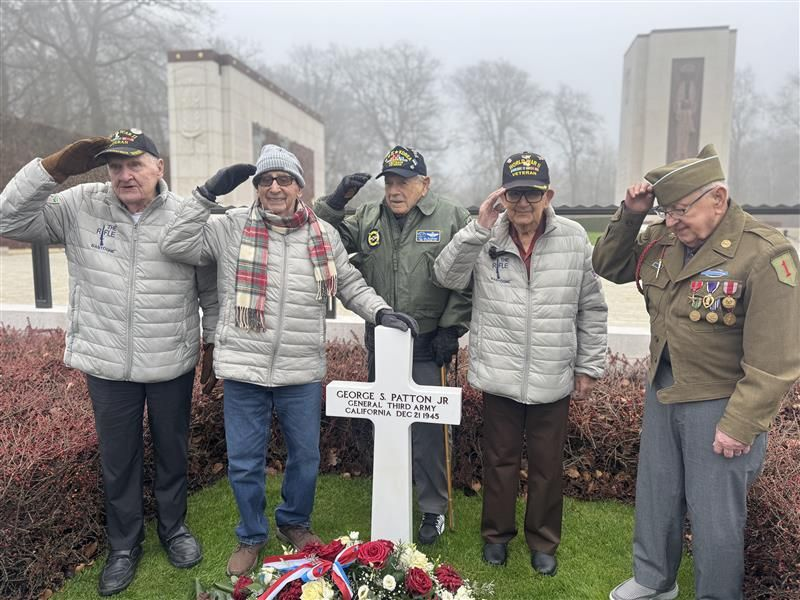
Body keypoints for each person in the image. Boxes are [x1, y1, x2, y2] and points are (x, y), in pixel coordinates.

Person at [158, 144, 416, 576]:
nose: (274, 187)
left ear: (299, 186)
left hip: (300, 369)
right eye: (265, 180)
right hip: (244, 368)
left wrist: (380, 312)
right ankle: (251, 535)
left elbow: (349, 283)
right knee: (245, 461)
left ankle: (294, 521)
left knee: (305, 457)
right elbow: (175, 243)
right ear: (257, 187)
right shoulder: (230, 225)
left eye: (284, 179)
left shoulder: (322, 233)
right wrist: (206, 193)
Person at [0, 129, 219, 597]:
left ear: (159, 167)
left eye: (135, 164)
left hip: (170, 360)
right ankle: (124, 546)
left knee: (172, 452)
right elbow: (7, 218)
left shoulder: (186, 215)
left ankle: (174, 529)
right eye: (115, 166)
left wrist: (212, 343)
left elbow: (209, 288)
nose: (125, 175)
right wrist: (51, 169)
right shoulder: (79, 205)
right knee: (118, 461)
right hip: (106, 364)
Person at [593, 144, 800, 600]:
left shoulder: (765, 253)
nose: (672, 221)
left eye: (681, 210)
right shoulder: (664, 241)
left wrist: (740, 423)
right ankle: (654, 580)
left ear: (718, 199)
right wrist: (632, 215)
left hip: (721, 402)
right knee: (657, 494)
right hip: (665, 387)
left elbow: (777, 359)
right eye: (666, 211)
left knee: (714, 515)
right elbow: (608, 264)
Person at [433, 151, 608, 576]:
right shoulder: (484, 236)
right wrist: (477, 228)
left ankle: (543, 541)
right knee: (499, 461)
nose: (523, 203)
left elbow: (591, 306)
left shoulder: (574, 238)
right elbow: (446, 276)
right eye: (514, 194)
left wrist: (588, 366)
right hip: (500, 372)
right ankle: (496, 536)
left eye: (532, 193)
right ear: (502, 196)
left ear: (549, 195)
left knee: (547, 466)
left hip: (553, 372)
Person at [313, 145, 472, 545]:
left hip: (428, 342)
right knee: (386, 424)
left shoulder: (451, 216)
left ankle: (433, 507)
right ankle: (391, 497)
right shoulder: (368, 217)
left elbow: (468, 276)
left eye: (404, 182)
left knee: (429, 431)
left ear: (425, 184)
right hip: (382, 342)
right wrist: (336, 202)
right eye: (389, 182)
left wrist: (452, 328)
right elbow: (318, 232)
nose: (395, 190)